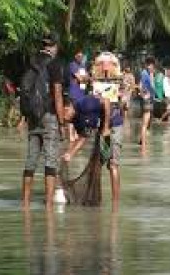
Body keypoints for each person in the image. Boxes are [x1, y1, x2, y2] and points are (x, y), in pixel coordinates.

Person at [21, 33, 65, 210]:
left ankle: (25, 203)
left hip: (32, 116)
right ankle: (48, 205)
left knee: (31, 160)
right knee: (50, 160)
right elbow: (57, 94)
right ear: (53, 47)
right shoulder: (54, 64)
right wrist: (61, 122)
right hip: (49, 116)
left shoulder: (31, 62)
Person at [62, 95, 123, 204]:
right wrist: (70, 154)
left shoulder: (84, 103)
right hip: (102, 131)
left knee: (112, 164)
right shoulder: (75, 119)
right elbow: (83, 137)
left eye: (64, 113)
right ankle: (94, 198)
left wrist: (105, 128)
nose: (64, 118)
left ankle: (116, 203)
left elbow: (107, 101)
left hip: (113, 125)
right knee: (96, 166)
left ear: (69, 107)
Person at [68, 50, 89, 143]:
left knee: (79, 113)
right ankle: (70, 134)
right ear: (75, 56)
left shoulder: (83, 66)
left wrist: (83, 78)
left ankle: (76, 132)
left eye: (82, 56)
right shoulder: (72, 65)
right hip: (74, 92)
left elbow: (87, 79)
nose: (80, 57)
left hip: (81, 92)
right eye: (79, 56)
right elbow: (80, 78)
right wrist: (83, 78)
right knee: (72, 112)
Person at [139, 56, 156, 153]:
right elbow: (151, 87)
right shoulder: (146, 74)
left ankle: (142, 141)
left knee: (147, 122)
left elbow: (142, 86)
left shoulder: (145, 73)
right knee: (145, 123)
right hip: (147, 100)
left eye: (152, 65)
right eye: (150, 65)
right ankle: (144, 146)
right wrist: (152, 75)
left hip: (147, 99)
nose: (151, 67)